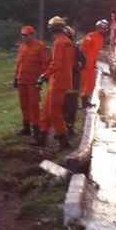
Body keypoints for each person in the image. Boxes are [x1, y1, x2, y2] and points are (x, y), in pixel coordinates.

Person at [36, 16, 75, 149]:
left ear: (52, 28)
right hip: (60, 80)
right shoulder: (67, 41)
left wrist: (43, 75)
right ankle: (42, 136)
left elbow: (56, 64)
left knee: (54, 112)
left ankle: (63, 140)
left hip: (58, 81)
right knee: (46, 110)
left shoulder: (59, 42)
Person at [13, 25, 48, 137]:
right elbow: (19, 63)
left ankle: (36, 128)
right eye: (22, 35)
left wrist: (42, 78)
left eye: (26, 35)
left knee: (33, 105)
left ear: (32, 35)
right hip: (22, 80)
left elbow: (44, 64)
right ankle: (26, 127)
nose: (24, 37)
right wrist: (15, 77)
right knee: (23, 105)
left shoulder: (40, 46)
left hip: (33, 81)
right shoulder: (22, 47)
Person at [80, 19, 109, 108]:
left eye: (104, 29)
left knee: (91, 84)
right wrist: (83, 61)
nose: (103, 30)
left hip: (92, 64)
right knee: (84, 84)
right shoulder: (90, 36)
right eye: (102, 28)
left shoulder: (101, 38)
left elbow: (97, 51)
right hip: (86, 64)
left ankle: (86, 101)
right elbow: (83, 49)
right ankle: (83, 102)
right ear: (98, 28)